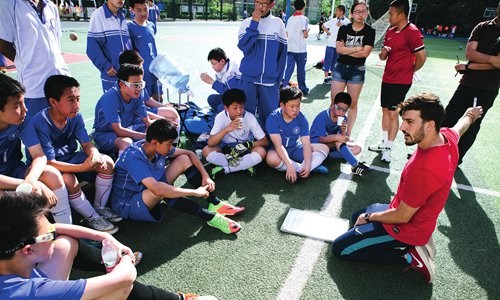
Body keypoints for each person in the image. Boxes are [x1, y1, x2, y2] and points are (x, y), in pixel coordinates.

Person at [331, 92, 484, 283]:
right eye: (403, 120)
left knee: (340, 248)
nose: (402, 126)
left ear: (429, 125)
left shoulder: (424, 169)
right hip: (411, 213)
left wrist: (369, 217)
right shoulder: (445, 136)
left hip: (407, 227)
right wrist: (471, 114)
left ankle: (410, 255)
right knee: (355, 218)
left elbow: (402, 216)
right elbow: (460, 128)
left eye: (409, 122)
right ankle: (412, 241)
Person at [0, 192, 219, 300]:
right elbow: (124, 278)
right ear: (27, 250)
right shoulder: (31, 293)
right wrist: (124, 259)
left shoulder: (11, 256)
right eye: (48, 234)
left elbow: (60, 230)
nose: (54, 231)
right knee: (119, 287)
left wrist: (107, 239)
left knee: (65, 244)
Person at [111, 118, 244, 234]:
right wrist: (194, 192)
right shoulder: (134, 158)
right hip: (128, 203)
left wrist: (205, 176)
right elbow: (158, 189)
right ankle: (211, 218)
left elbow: (190, 154)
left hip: (148, 188)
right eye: (169, 144)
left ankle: (215, 203)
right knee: (160, 191)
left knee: (183, 159)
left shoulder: (154, 145)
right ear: (155, 143)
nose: (171, 147)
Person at [30, 75, 119, 234]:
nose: (77, 105)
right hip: (52, 167)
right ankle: (92, 217)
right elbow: (49, 162)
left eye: (78, 98)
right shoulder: (39, 122)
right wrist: (82, 167)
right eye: (71, 100)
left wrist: (94, 153)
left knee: (107, 162)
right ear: (53, 102)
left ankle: (100, 208)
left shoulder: (75, 116)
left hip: (72, 159)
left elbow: (86, 143)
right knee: (68, 179)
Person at [0, 73, 71, 225]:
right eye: (17, 106)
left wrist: (31, 179)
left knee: (51, 174)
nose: (25, 109)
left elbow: (39, 155)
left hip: (14, 170)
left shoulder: (21, 120)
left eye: (23, 102)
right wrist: (28, 185)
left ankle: (66, 229)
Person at [441, 2, 499, 165]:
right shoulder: (482, 27)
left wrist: (469, 66)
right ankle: (438, 151)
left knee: (472, 124)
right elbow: (470, 52)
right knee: (449, 117)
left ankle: (456, 159)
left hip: (488, 88)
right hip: (467, 83)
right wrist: (491, 60)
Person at [368, 0, 426, 163]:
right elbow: (382, 56)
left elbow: (422, 57)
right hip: (387, 78)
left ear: (401, 15)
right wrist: (384, 53)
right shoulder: (391, 32)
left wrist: (411, 70)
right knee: (385, 111)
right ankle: (384, 141)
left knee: (393, 113)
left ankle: (388, 149)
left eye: (391, 14)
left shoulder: (412, 32)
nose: (389, 18)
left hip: (401, 81)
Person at [0, 0, 71, 118]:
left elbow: (56, 43)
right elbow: (2, 43)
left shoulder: (51, 6)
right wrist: (22, 61)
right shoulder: (9, 4)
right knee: (37, 131)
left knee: (63, 131)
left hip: (61, 83)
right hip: (34, 87)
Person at [238, 0, 287, 125]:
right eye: (257, 2)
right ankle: (246, 143)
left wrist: (278, 80)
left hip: (270, 81)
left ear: (271, 4)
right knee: (246, 116)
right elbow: (244, 47)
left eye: (264, 3)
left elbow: (282, 55)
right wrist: (254, 24)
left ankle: (269, 142)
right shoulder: (246, 23)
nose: (260, 6)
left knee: (270, 118)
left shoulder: (278, 23)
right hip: (248, 79)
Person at [265, 87, 329, 183]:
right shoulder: (273, 118)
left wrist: (307, 164)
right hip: (277, 151)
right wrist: (290, 165)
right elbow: (278, 145)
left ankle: (307, 168)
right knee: (271, 159)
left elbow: (306, 143)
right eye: (292, 106)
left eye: (298, 106)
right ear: (282, 105)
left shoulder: (302, 119)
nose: (296, 110)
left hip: (295, 149)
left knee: (324, 148)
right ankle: (305, 168)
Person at [330, 0, 375, 137]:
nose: (360, 15)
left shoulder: (369, 31)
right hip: (340, 68)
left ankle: (347, 133)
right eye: (357, 12)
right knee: (335, 102)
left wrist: (347, 49)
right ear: (352, 14)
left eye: (363, 11)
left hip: (357, 70)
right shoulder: (344, 29)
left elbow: (365, 53)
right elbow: (339, 50)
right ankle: (333, 130)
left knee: (352, 103)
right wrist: (356, 48)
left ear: (367, 13)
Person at [203, 88, 268, 178]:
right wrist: (227, 129)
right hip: (226, 148)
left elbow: (264, 141)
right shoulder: (220, 117)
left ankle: (226, 169)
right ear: (226, 108)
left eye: (241, 107)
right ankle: (245, 164)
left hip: (245, 148)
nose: (239, 111)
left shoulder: (249, 117)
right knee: (206, 151)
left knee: (261, 151)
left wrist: (247, 145)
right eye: (235, 108)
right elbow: (210, 142)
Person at [91, 63, 153, 157]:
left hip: (127, 127)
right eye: (136, 85)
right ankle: (122, 170)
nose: (139, 88)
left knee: (158, 128)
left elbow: (147, 121)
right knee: (126, 142)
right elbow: (118, 130)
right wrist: (146, 136)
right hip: (106, 134)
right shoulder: (110, 98)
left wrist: (156, 129)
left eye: (141, 84)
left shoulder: (137, 94)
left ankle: (154, 160)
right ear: (122, 85)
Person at [310, 92, 370, 176]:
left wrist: (343, 131)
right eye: (338, 108)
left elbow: (342, 140)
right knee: (339, 139)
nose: (341, 112)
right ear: (333, 104)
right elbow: (320, 138)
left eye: (345, 110)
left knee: (357, 148)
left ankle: (327, 156)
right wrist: (338, 137)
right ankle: (355, 165)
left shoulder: (343, 118)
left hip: (331, 145)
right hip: (316, 144)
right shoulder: (323, 116)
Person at [118, 50, 180, 127]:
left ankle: (173, 138)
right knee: (170, 116)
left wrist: (165, 107)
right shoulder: (124, 85)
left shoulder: (139, 82)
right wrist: (162, 118)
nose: (142, 70)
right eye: (140, 67)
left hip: (143, 111)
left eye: (142, 66)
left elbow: (148, 101)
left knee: (172, 113)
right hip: (136, 115)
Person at [87, 0, 132, 92]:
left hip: (127, 74)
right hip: (112, 76)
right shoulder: (98, 15)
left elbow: (127, 45)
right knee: (113, 104)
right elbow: (92, 47)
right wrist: (106, 66)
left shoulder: (121, 16)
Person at [129, 0, 164, 103]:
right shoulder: (130, 27)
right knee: (146, 101)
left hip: (155, 70)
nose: (143, 13)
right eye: (139, 10)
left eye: (145, 9)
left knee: (159, 98)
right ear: (132, 10)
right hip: (143, 72)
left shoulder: (151, 25)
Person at [200, 48, 242, 113]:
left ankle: (232, 118)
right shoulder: (220, 71)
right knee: (211, 99)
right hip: (232, 98)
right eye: (211, 64)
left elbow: (232, 94)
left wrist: (212, 82)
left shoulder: (231, 71)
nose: (212, 67)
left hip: (241, 100)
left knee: (221, 108)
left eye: (214, 64)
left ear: (222, 61)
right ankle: (224, 116)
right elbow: (223, 92)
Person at [282, 0, 310, 95]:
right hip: (300, 49)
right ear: (304, 7)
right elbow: (305, 35)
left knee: (289, 68)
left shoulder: (290, 19)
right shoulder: (304, 19)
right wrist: (307, 32)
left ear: (294, 7)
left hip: (290, 47)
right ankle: (303, 88)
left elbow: (286, 33)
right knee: (300, 69)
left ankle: (285, 85)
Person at [321, 5, 350, 84]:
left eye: (337, 11)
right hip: (330, 44)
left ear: (342, 12)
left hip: (339, 46)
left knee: (336, 63)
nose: (336, 12)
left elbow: (350, 32)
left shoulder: (347, 22)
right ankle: (326, 78)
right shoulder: (333, 20)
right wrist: (328, 32)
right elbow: (323, 26)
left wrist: (342, 26)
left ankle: (333, 78)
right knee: (327, 61)